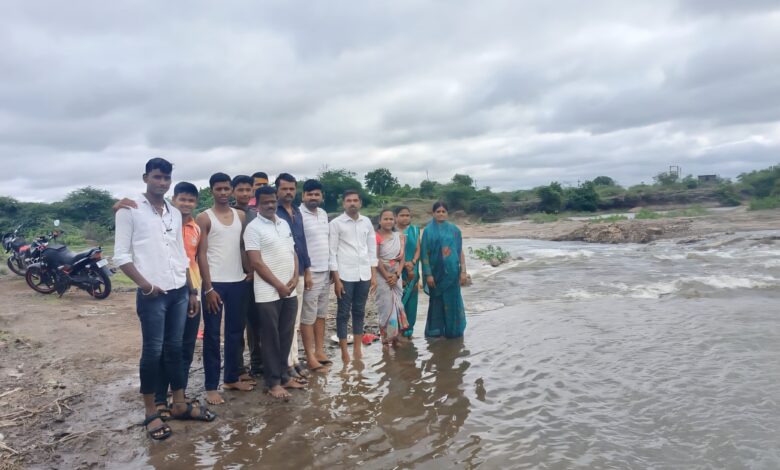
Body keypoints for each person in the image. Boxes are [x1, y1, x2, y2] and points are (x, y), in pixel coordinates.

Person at [114, 158, 214, 441]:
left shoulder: (173, 211)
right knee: (152, 351)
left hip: (179, 291)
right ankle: (151, 412)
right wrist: (145, 285)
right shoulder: (130, 210)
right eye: (157, 177)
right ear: (146, 177)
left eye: (166, 178)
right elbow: (121, 255)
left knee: (175, 348)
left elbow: (181, 254)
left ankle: (179, 403)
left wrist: (192, 291)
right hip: (153, 295)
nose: (162, 182)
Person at [244, 185, 305, 399]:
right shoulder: (253, 228)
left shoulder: (284, 223)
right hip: (267, 293)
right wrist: (278, 285)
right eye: (265, 202)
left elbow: (293, 252)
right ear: (257, 204)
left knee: (286, 334)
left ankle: (284, 376)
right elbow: (256, 262)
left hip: (289, 290)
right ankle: (273, 383)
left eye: (272, 201)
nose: (270, 205)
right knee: (270, 338)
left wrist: (295, 276)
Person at [197, 173, 252, 405]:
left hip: (238, 281)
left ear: (231, 190)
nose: (223, 192)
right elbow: (201, 254)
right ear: (211, 190)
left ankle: (231, 378)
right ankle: (211, 386)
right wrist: (208, 287)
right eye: (218, 189)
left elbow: (242, 246)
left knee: (235, 333)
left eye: (226, 188)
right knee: (211, 335)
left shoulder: (241, 216)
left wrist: (249, 271)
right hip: (215, 284)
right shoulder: (204, 217)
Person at [329, 190, 377, 364]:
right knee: (343, 313)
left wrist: (373, 276)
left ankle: (357, 348)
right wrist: (336, 279)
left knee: (359, 311)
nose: (352, 203)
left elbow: (372, 249)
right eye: (348, 200)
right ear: (343, 203)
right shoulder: (336, 224)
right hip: (345, 275)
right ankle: (344, 352)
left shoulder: (366, 222)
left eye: (355, 200)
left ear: (360, 203)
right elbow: (332, 252)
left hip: (364, 274)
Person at [274, 173, 312, 381]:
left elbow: (302, 242)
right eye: (284, 189)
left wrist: (307, 270)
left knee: (295, 321)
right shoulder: (274, 212)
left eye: (291, 189)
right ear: (277, 190)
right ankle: (286, 363)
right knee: (286, 322)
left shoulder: (297, 211)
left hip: (301, 271)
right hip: (283, 274)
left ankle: (295, 360)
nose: (288, 192)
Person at [420, 202, 468, 338]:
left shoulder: (454, 230)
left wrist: (463, 271)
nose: (441, 214)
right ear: (433, 213)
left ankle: (454, 333)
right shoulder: (428, 231)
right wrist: (428, 274)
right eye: (438, 211)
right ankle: (437, 333)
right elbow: (424, 254)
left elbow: (459, 251)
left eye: (443, 211)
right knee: (437, 303)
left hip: (453, 274)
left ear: (447, 213)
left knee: (453, 303)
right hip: (436, 275)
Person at [231, 175, 262, 381]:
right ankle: (237, 368)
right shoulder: (229, 213)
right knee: (237, 324)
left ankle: (257, 363)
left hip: (256, 275)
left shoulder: (255, 214)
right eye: (240, 190)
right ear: (233, 191)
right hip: (235, 275)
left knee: (256, 321)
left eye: (247, 190)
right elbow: (239, 246)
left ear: (252, 191)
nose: (244, 193)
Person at [299, 179, 332, 371]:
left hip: (325, 271)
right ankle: (309, 355)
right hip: (310, 272)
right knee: (308, 316)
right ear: (303, 196)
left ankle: (320, 351)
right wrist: (306, 270)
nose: (313, 197)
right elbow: (299, 245)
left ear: (321, 196)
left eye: (316, 194)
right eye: (309, 194)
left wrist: (332, 271)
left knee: (321, 314)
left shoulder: (323, 214)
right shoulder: (298, 214)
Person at [375, 209, 409, 346]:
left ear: (394, 221)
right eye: (385, 219)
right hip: (382, 276)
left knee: (397, 305)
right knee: (385, 307)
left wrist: (397, 274)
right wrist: (387, 276)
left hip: (396, 276)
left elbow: (402, 258)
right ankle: (385, 339)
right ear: (380, 221)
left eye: (391, 219)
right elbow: (376, 258)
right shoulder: (375, 236)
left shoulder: (399, 236)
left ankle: (395, 338)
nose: (388, 221)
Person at [394, 206, 422, 338]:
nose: (405, 218)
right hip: (397, 271)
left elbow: (418, 249)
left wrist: (413, 262)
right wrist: (402, 264)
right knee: (397, 301)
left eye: (407, 215)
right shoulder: (391, 231)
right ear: (396, 217)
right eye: (402, 215)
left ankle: (409, 331)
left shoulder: (415, 230)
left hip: (412, 271)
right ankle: (397, 331)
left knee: (412, 302)